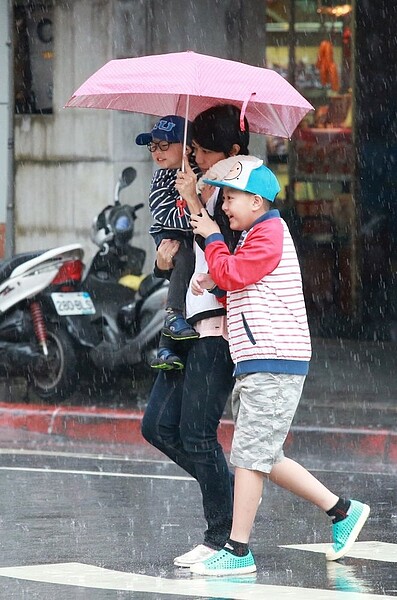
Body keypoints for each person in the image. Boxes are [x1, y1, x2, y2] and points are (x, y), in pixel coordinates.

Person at [188, 156, 370, 576]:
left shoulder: (269, 232)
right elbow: (241, 285)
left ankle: (237, 551)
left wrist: (213, 239)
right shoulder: (257, 232)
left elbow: (235, 275)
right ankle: (343, 511)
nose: (226, 205)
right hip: (261, 358)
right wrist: (215, 279)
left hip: (273, 359)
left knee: (249, 456)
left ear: (256, 200)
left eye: (231, 197)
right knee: (265, 454)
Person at [141, 104, 250, 568]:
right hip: (185, 322)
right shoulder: (201, 185)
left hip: (217, 330)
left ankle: (224, 537)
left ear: (233, 152)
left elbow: (223, 252)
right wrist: (163, 261)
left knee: (198, 434)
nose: (198, 160)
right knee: (158, 426)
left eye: (205, 153)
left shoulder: (243, 196)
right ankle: (226, 494)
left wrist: (198, 201)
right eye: (196, 151)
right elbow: (178, 248)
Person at [135, 115, 200, 371]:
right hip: (170, 235)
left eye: (165, 145)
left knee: (182, 278)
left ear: (187, 148)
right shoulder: (161, 179)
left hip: (188, 237)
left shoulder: (196, 172)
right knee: (183, 259)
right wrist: (193, 204)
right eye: (153, 145)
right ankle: (172, 313)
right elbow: (166, 216)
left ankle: (165, 348)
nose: (157, 152)